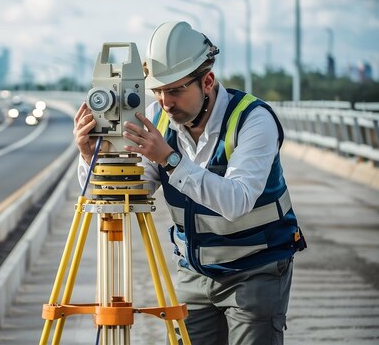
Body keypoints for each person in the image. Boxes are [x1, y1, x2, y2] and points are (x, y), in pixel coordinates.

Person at [73, 21, 306, 345]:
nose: (165, 102)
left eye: (176, 90)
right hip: (194, 271)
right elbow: (125, 196)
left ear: (207, 80)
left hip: (257, 270)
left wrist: (170, 159)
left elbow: (237, 203)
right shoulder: (156, 119)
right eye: (158, 91)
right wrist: (91, 158)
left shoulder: (253, 120)